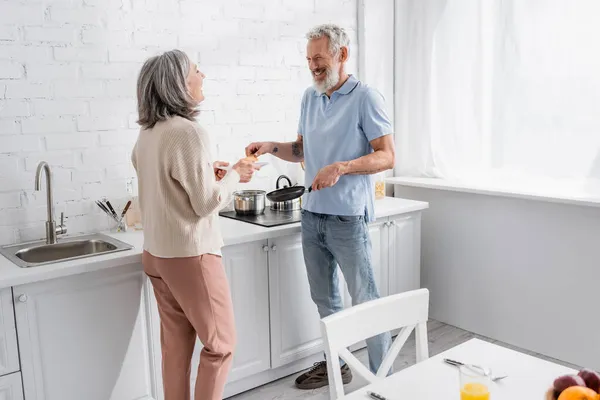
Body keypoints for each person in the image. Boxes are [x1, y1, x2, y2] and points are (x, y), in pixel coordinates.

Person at [245, 24, 396, 390]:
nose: (313, 65)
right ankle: (338, 365)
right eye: (309, 59)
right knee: (326, 300)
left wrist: (342, 167)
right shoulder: (310, 98)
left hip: (348, 217)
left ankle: (385, 382)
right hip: (312, 216)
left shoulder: (366, 98)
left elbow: (387, 156)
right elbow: (301, 151)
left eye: (319, 58)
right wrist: (270, 146)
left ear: (342, 55)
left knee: (365, 300)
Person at [131, 49, 259, 400]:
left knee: (175, 348)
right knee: (221, 345)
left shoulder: (148, 135)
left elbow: (168, 186)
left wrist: (208, 173)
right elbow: (205, 203)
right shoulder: (188, 132)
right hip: (190, 256)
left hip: (157, 255)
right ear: (179, 84)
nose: (202, 75)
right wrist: (236, 174)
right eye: (196, 70)